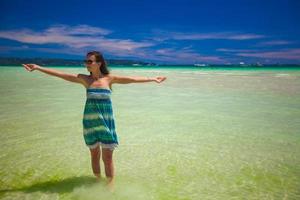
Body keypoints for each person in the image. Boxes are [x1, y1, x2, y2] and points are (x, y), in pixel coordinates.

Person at [22, 51, 167, 190]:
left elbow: (131, 79)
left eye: (90, 61)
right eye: (86, 61)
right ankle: (97, 182)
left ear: (99, 63)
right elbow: (61, 75)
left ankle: (110, 185)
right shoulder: (85, 79)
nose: (87, 64)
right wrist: (38, 68)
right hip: (90, 122)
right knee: (94, 155)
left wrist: (152, 79)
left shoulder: (109, 79)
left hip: (106, 122)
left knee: (108, 157)